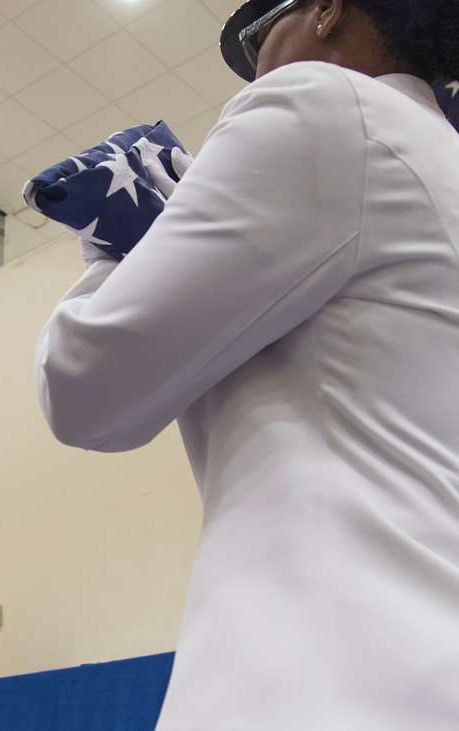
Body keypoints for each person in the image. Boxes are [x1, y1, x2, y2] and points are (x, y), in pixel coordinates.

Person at [35, 1, 459, 728]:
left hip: (326, 672)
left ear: (325, 10)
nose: (260, 69)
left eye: (261, 40)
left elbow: (85, 391)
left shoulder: (324, 101)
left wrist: (117, 246)